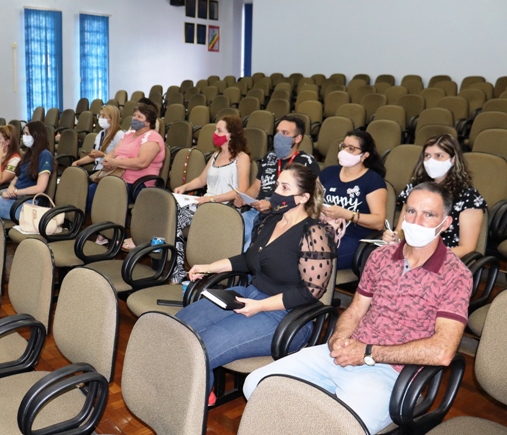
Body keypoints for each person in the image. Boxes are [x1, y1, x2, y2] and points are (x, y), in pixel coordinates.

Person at [243, 182, 473, 434]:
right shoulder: (381, 256)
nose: (416, 220)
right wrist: (339, 338)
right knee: (257, 384)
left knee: (334, 426)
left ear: (446, 223)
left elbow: (442, 351)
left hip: (392, 372)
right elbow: (355, 309)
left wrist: (368, 352)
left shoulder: (456, 275)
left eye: (429, 215)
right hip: (346, 351)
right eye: (411, 211)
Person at [175, 163, 337, 406]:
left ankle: (189, 405)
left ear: (303, 197)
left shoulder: (315, 233)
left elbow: (310, 292)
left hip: (285, 316)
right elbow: (248, 259)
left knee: (202, 348)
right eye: (278, 185)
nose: (276, 192)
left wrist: (260, 307)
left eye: (285, 187)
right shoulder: (272, 220)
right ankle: (196, 387)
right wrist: (209, 266)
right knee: (178, 327)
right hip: (249, 294)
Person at [170, 116, 251, 282]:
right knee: (172, 214)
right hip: (206, 204)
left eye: (219, 130)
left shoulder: (242, 158)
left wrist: (212, 199)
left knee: (176, 218)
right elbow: (201, 180)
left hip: (225, 208)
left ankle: (181, 271)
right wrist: (184, 188)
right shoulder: (215, 155)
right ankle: (177, 270)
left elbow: (241, 191)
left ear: (231, 135)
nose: (215, 133)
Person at [383, 134, 486, 258]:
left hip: (444, 258)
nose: (431, 161)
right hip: (410, 253)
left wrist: (430, 257)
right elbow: (401, 231)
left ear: (453, 159)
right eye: (427, 156)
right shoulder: (415, 188)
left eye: (439, 156)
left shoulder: (469, 198)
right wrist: (394, 237)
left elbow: (467, 248)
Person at [237, 115, 320, 251]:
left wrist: (272, 204)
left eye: (285, 133)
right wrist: (244, 197)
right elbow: (256, 187)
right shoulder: (269, 157)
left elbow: (311, 198)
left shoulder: (307, 162)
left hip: (281, 217)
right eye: (277, 132)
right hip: (255, 212)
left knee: (250, 250)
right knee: (226, 234)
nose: (278, 136)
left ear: (297, 138)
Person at [0, 121, 53, 236]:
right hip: (14, 200)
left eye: (27, 134)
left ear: (36, 135)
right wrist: (11, 187)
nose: (24, 137)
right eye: (24, 134)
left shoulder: (45, 155)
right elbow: (16, 177)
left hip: (26, 205)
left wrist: (16, 192)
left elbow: (40, 187)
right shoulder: (28, 154)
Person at [320, 130, 387, 270]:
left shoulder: (373, 181)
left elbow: (379, 222)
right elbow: (310, 199)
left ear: (365, 155)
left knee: (310, 254)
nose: (344, 151)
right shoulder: (328, 173)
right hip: (321, 230)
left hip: (353, 238)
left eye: (351, 148)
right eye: (343, 146)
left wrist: (346, 214)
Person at [87, 102, 165, 216]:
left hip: (136, 184)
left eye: (139, 117)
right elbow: (113, 153)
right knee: (90, 189)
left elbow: (142, 162)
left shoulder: (153, 137)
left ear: (148, 122)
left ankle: (111, 231)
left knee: (102, 194)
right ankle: (98, 227)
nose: (135, 118)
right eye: (134, 115)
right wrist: (108, 160)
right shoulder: (128, 135)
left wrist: (115, 162)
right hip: (116, 177)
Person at [71, 105, 125, 173]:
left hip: (109, 172)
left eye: (104, 116)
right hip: (97, 170)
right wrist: (77, 162)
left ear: (112, 119)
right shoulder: (101, 134)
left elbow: (121, 160)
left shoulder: (120, 135)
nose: (100, 118)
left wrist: (103, 155)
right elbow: (93, 156)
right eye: (100, 115)